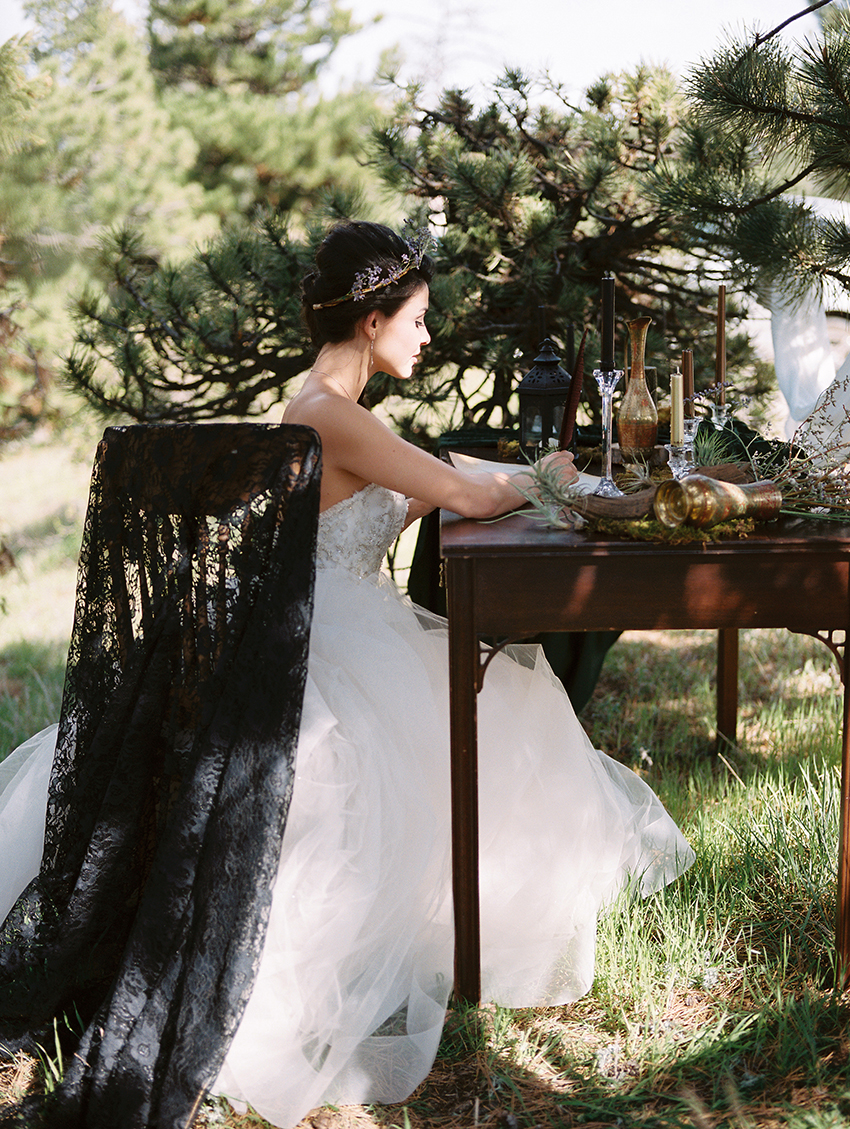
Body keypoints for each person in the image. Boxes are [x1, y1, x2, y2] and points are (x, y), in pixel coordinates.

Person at [0, 220, 694, 1129]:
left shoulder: (332, 411)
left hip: (336, 619)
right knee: (506, 703)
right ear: (371, 320)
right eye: (418, 317)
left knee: (493, 700)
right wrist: (543, 475)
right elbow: (475, 500)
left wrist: (455, 480)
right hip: (319, 646)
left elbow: (375, 505)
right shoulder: (329, 414)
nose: (427, 333)